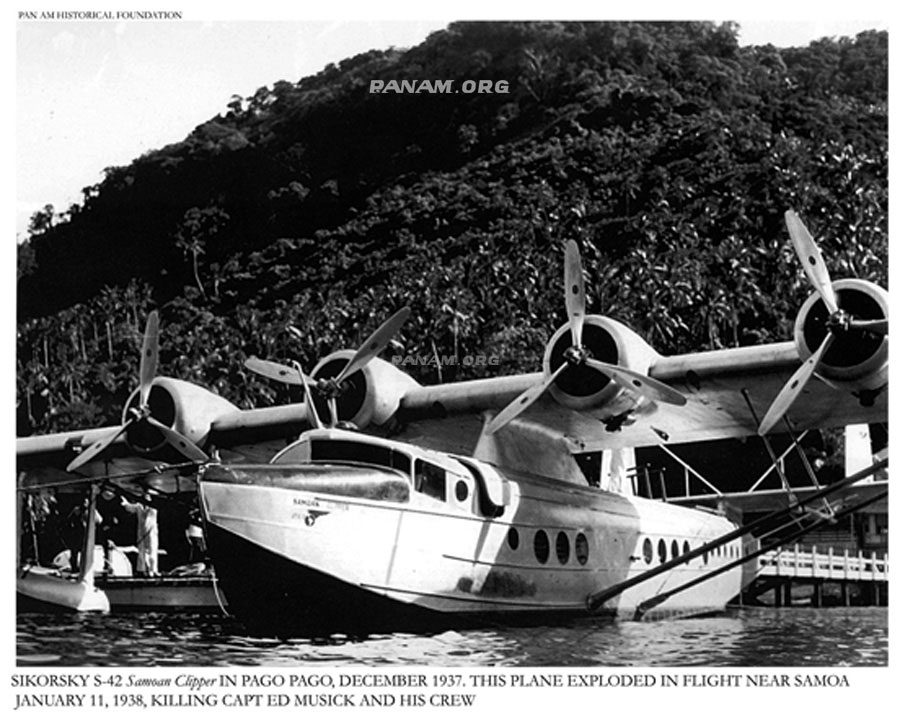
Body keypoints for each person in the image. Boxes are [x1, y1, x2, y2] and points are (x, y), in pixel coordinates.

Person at [121, 492, 159, 576]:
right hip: (141, 532)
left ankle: (153, 570)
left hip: (150, 532)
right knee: (141, 551)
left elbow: (148, 520)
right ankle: (142, 570)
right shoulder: (139, 506)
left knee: (152, 551)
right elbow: (129, 507)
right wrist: (124, 502)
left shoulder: (153, 507)